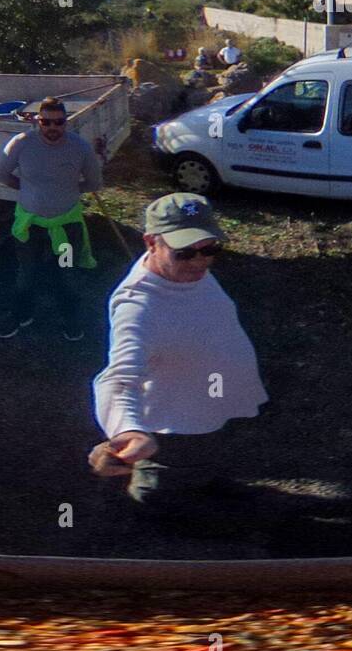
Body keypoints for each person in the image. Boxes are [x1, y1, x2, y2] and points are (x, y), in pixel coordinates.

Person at [87, 194, 267, 520]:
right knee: (164, 483)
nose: (200, 261)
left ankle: (204, 482)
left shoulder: (183, 273)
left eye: (210, 249)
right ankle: (159, 520)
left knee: (204, 456)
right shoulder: (137, 307)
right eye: (184, 251)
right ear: (151, 243)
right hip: (174, 421)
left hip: (209, 401)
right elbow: (118, 377)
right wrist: (129, 430)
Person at [0, 96, 107, 341]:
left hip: (65, 227)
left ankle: (70, 319)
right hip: (30, 226)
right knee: (27, 272)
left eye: (58, 122)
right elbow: (1, 173)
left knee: (65, 273)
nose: (52, 128)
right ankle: (21, 314)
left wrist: (65, 190)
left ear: (66, 122)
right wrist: (27, 189)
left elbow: (94, 182)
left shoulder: (79, 147)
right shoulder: (22, 143)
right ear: (38, 121)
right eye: (46, 122)